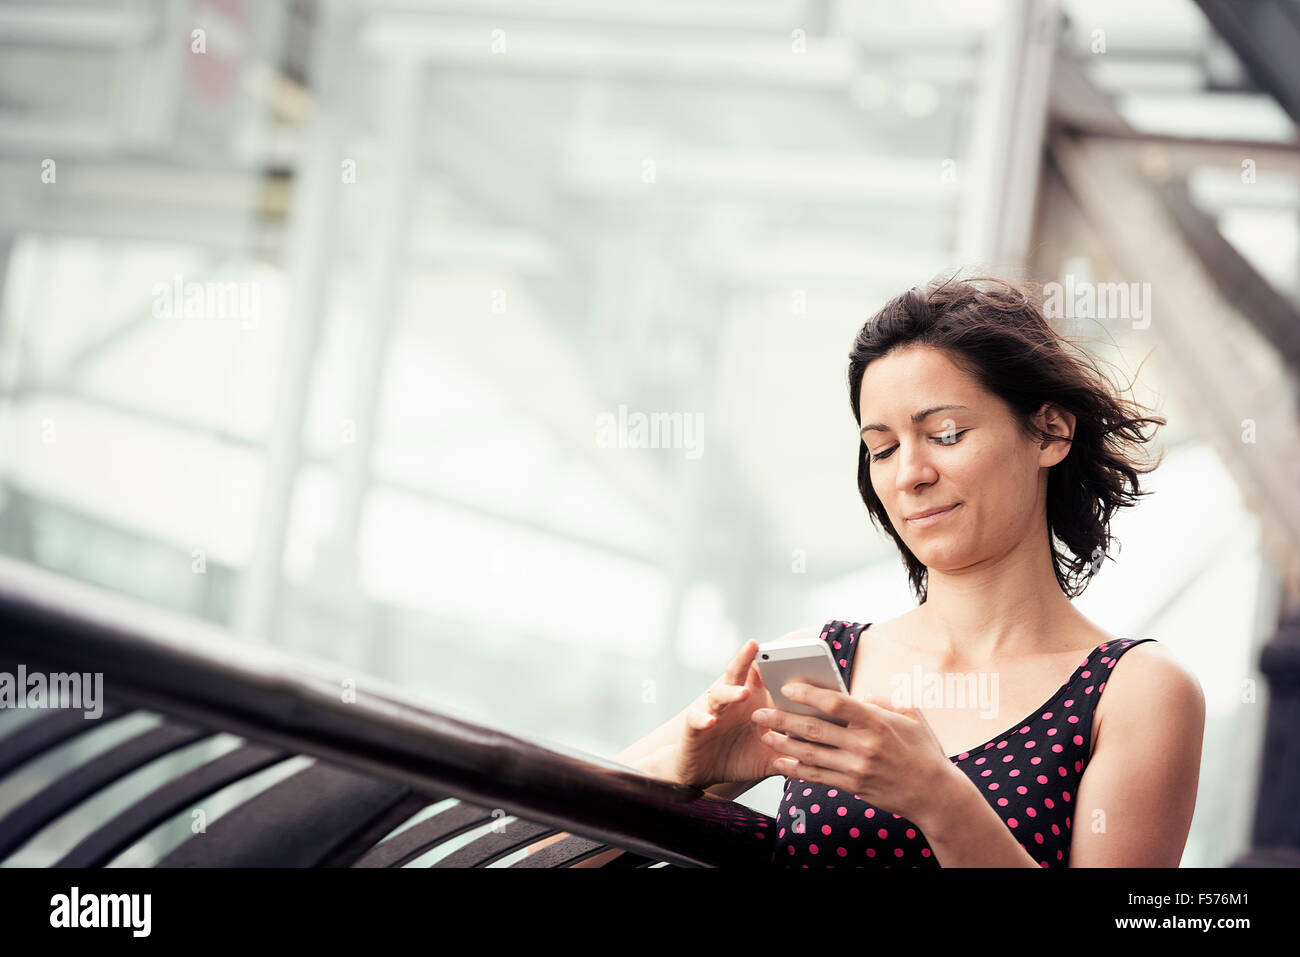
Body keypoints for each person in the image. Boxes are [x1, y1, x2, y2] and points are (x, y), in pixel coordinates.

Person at [528, 275, 1204, 867]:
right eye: (882, 447)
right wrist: (681, 769)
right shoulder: (824, 664)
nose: (910, 473)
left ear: (1051, 432)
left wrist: (939, 799)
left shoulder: (1135, 691)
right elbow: (534, 859)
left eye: (945, 434)